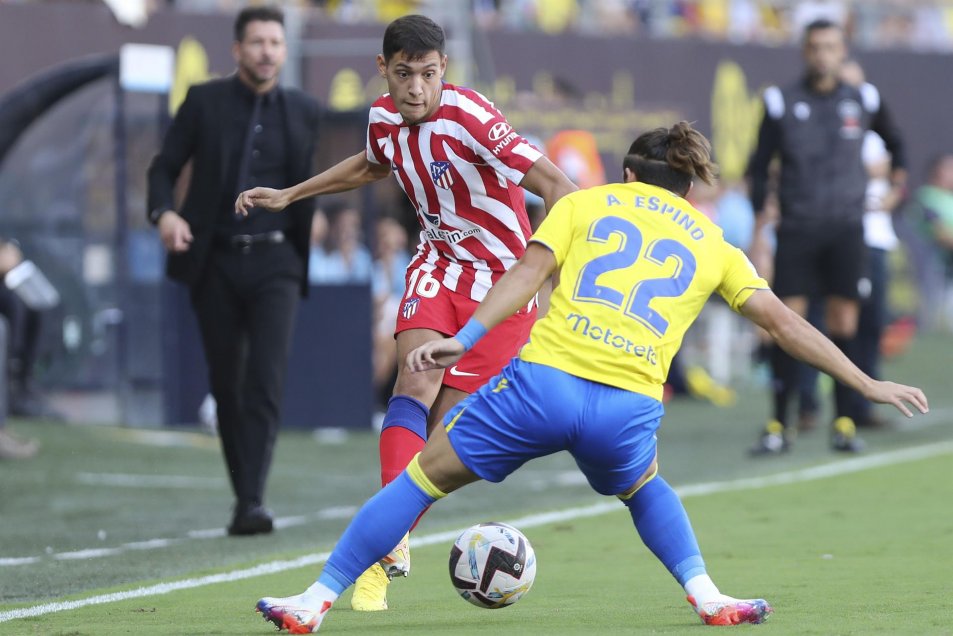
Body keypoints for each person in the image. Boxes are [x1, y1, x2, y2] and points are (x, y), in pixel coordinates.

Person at [253, 122, 928, 633]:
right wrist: (864, 381)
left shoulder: (584, 204)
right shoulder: (711, 243)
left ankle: (314, 601)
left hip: (542, 387)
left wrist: (464, 338)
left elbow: (525, 276)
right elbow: (783, 324)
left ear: (629, 174)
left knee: (419, 479)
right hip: (626, 408)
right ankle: (707, 595)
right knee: (643, 485)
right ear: (687, 187)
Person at [236, 14, 576, 610]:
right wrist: (292, 194)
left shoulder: (472, 117)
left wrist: (548, 272)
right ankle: (387, 547)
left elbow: (557, 185)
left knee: (442, 436)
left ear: (444, 69)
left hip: (500, 283)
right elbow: (373, 163)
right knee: (413, 382)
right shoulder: (382, 118)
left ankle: (390, 537)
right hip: (437, 265)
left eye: (427, 74)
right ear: (383, 69)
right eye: (403, 74)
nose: (415, 88)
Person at [146, 5, 321, 536]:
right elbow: (163, 167)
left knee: (266, 380)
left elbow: (313, 183)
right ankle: (246, 495)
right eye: (257, 42)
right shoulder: (204, 101)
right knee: (227, 383)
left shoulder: (304, 110)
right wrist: (165, 214)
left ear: (285, 51)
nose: (267, 51)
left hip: (277, 261)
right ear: (237, 49)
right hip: (216, 259)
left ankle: (251, 501)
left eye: (275, 42)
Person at [746, 18, 907, 455]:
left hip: (846, 229)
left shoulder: (863, 98)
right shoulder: (780, 101)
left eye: (831, 47)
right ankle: (779, 423)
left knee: (844, 324)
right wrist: (761, 225)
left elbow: (897, 144)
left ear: (843, 51)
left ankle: (844, 423)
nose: (823, 55)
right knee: (786, 324)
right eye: (815, 47)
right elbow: (758, 168)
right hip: (797, 227)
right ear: (805, 52)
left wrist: (896, 189)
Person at [905, 153, 953, 330]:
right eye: (950, 168)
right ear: (938, 171)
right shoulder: (926, 196)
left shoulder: (950, 198)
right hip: (933, 267)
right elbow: (939, 233)